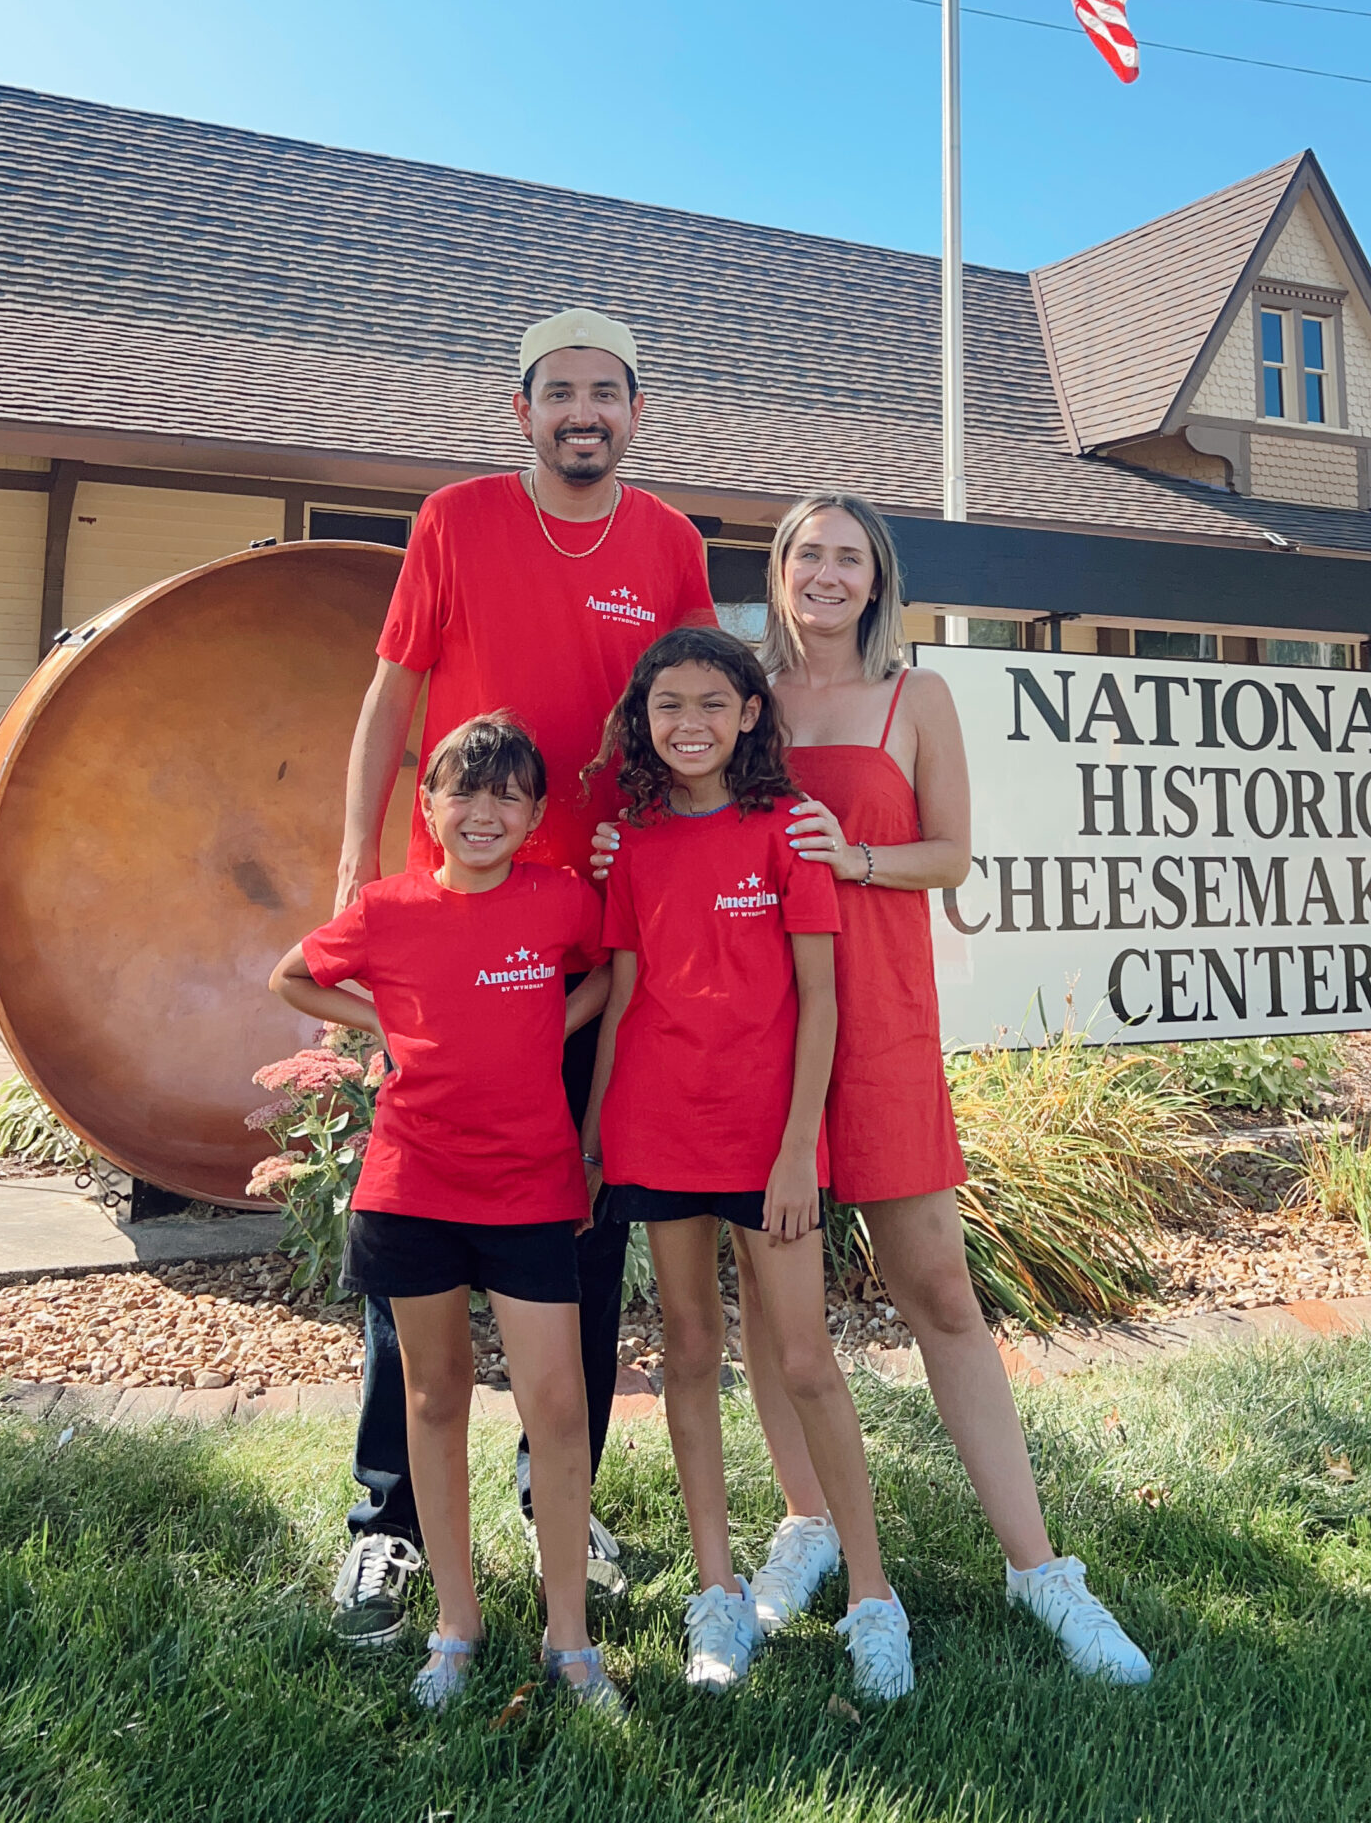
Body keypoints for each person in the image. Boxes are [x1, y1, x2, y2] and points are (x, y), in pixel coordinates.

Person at [594, 497, 1152, 1686]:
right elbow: (670, 814)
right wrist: (614, 850)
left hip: (878, 1021)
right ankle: (808, 1522)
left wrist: (858, 858)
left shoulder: (919, 697)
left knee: (940, 1289)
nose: (827, 573)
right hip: (746, 1037)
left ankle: (1040, 1566)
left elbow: (952, 854)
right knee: (768, 1303)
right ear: (779, 573)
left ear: (877, 577)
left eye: (850, 555)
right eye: (808, 554)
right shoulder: (740, 700)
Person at [327, 307, 717, 1649]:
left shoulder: (668, 544)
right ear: (521, 412)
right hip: (456, 933)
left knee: (582, 1226)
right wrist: (351, 869)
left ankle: (568, 1496)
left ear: (637, 412)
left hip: (596, 938)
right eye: (559, 393)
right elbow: (392, 698)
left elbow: (700, 708)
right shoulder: (454, 521)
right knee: (417, 1215)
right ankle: (388, 1523)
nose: (582, 413)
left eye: (606, 392)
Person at [581, 627, 915, 1704]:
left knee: (808, 1358)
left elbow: (822, 1001)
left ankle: (872, 1593)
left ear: (749, 714)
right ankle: (717, 1592)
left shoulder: (786, 834)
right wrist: (590, 1144)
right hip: (655, 1132)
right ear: (644, 719)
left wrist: (793, 1153)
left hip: (768, 1145)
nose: (690, 724)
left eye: (712, 704)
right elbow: (625, 1000)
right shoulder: (628, 842)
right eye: (668, 705)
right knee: (686, 1347)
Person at [270, 715, 622, 1716]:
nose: (485, 811)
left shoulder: (559, 898)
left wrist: (554, 1020)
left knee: (554, 1404)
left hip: (529, 1184)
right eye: (463, 792)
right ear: (427, 809)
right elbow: (290, 974)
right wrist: (383, 1020)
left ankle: (568, 1636)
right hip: (412, 1182)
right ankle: (456, 1622)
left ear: (537, 814)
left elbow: (615, 964)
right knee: (434, 1397)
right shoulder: (386, 910)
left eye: (508, 794)